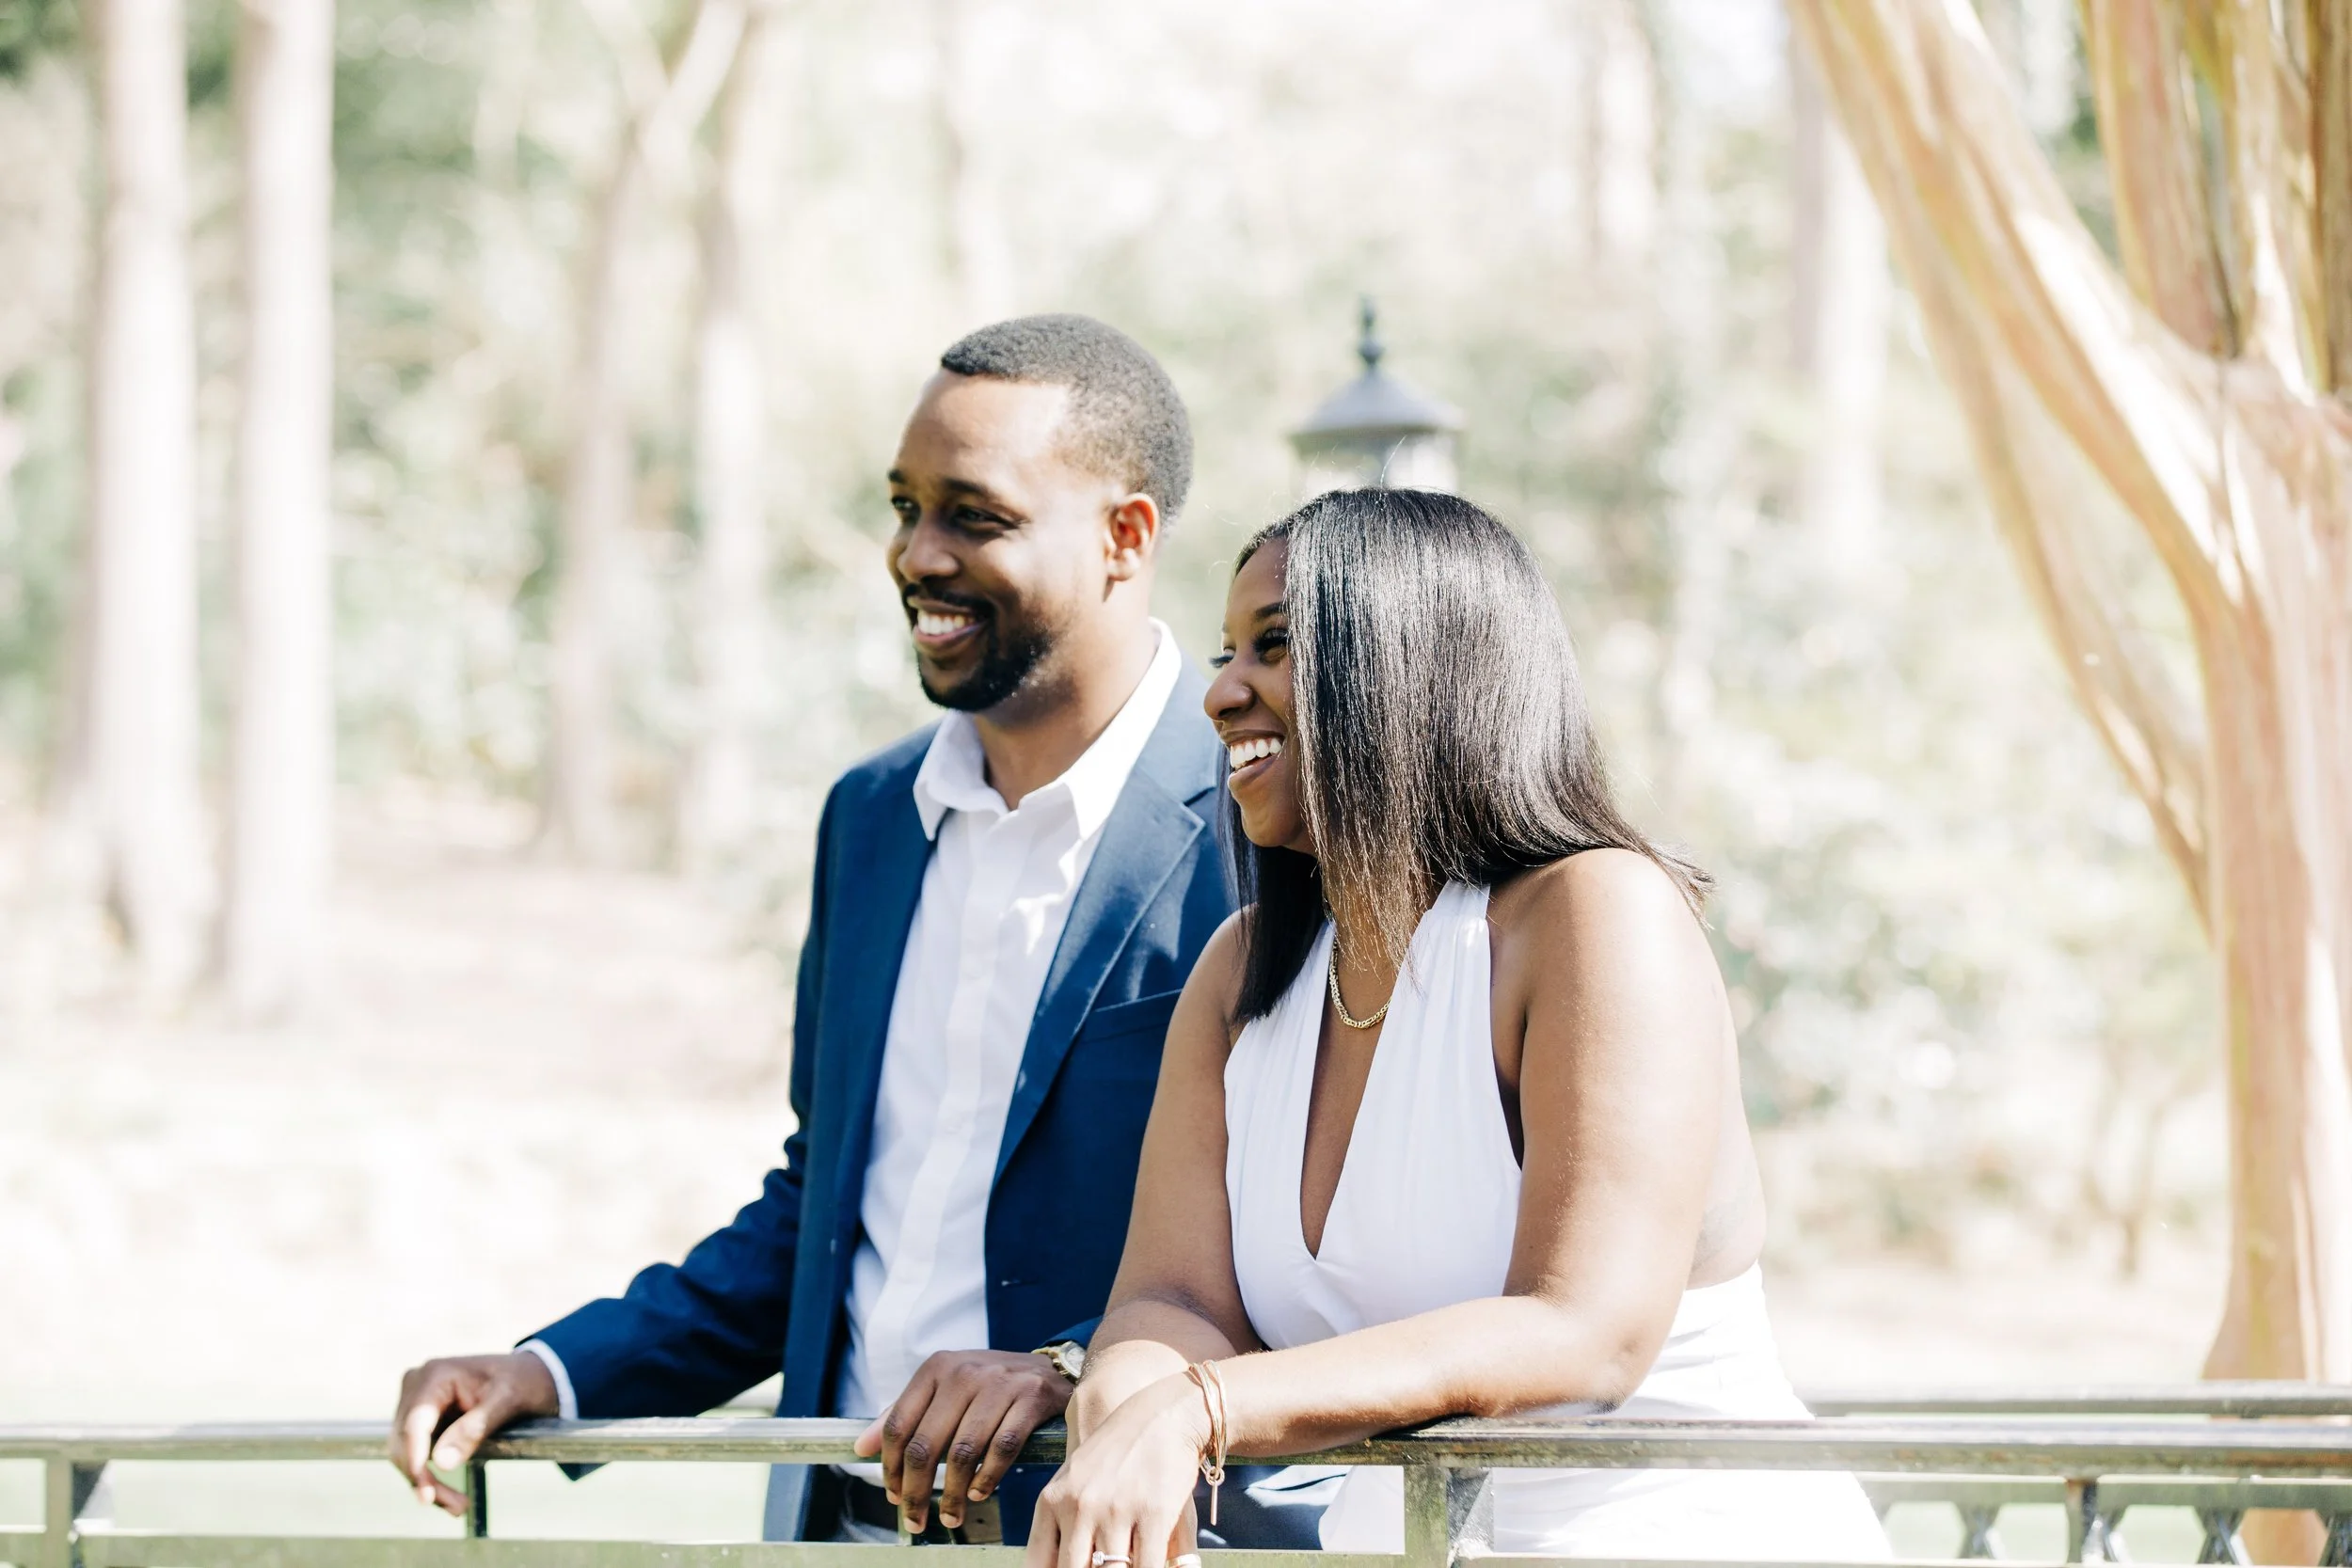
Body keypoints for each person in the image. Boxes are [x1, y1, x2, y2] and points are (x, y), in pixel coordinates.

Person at [389, 316, 1308, 1548]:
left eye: (971, 515)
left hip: (1104, 1530)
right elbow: (818, 1211)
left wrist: (1077, 1364)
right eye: (902, 505)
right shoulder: (868, 818)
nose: (914, 554)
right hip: (835, 1513)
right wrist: (554, 1370)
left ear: (1124, 537)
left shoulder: (1262, 822)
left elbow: (1322, 1238)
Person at [1032, 488, 1891, 1567]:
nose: (1219, 691)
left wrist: (1198, 1406)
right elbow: (1172, 1298)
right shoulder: (1239, 970)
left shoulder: (1593, 913)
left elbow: (1585, 1328)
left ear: (1410, 664)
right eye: (1223, 651)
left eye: (1276, 645)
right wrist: (1128, 1400)